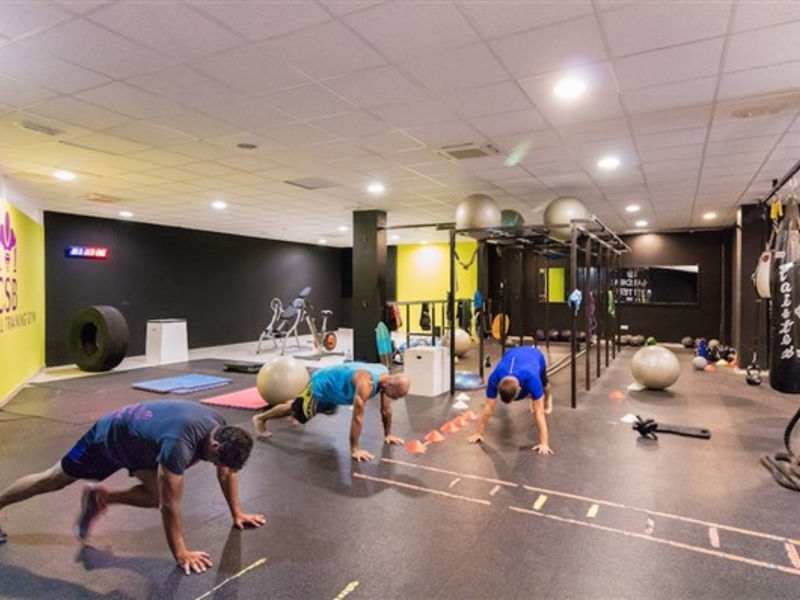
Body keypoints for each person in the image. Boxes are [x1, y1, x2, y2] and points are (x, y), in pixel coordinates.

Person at [0, 400, 265, 575]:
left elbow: (226, 473)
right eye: (219, 461)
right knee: (52, 480)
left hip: (141, 445)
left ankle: (99, 498)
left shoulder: (219, 429)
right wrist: (181, 553)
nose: (221, 468)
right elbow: (169, 505)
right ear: (215, 446)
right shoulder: (179, 444)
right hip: (107, 438)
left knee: (154, 494)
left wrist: (237, 513)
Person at [252, 362, 410, 462]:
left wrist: (388, 434)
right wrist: (354, 449)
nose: (393, 399)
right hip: (322, 385)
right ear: (390, 383)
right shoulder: (366, 383)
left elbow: (386, 409)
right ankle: (261, 418)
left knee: (327, 410)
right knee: (295, 412)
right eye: (395, 396)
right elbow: (357, 418)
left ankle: (298, 403)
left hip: (336, 389)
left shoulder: (385, 376)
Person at [467, 346, 553, 455]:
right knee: (536, 401)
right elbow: (488, 407)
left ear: (520, 390)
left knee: (544, 388)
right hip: (511, 353)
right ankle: (535, 398)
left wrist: (544, 443)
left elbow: (539, 413)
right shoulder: (494, 378)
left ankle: (547, 397)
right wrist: (478, 433)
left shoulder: (532, 378)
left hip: (535, 355)